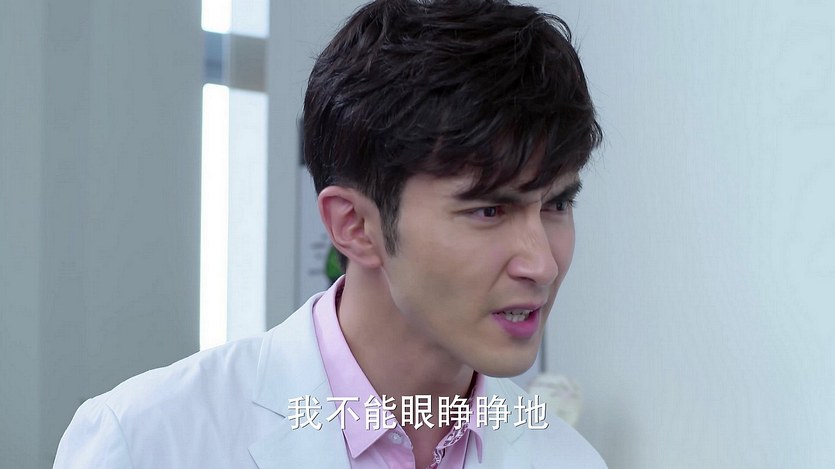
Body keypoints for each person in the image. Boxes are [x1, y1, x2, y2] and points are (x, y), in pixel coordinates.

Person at [54, 0, 606, 467]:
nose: (542, 264)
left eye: (557, 203)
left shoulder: (570, 460)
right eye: (489, 211)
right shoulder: (146, 440)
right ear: (355, 226)